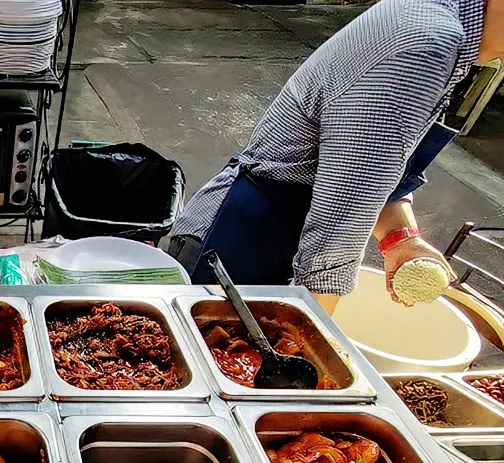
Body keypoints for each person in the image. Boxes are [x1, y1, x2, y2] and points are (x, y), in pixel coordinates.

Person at [167, 0, 504, 314]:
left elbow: (370, 164)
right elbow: (339, 224)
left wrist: (400, 238)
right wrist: (314, 346)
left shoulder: (440, 23)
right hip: (239, 246)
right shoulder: (427, 43)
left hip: (272, 238)